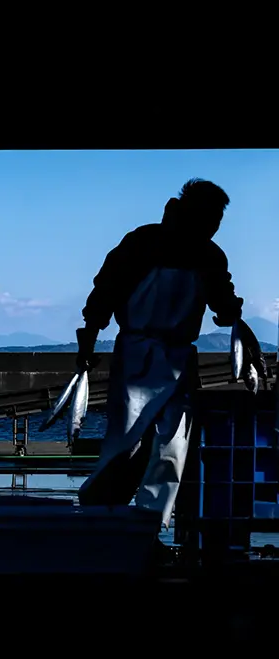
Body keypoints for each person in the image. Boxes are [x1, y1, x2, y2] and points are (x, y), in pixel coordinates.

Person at [76, 178, 245, 529]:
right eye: (211, 218)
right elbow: (103, 295)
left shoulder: (202, 254)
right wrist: (87, 343)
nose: (214, 226)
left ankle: (144, 527)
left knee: (171, 447)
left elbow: (223, 304)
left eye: (217, 221)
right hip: (140, 353)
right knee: (127, 442)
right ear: (191, 212)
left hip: (176, 359)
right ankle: (101, 517)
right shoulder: (144, 244)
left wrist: (232, 312)